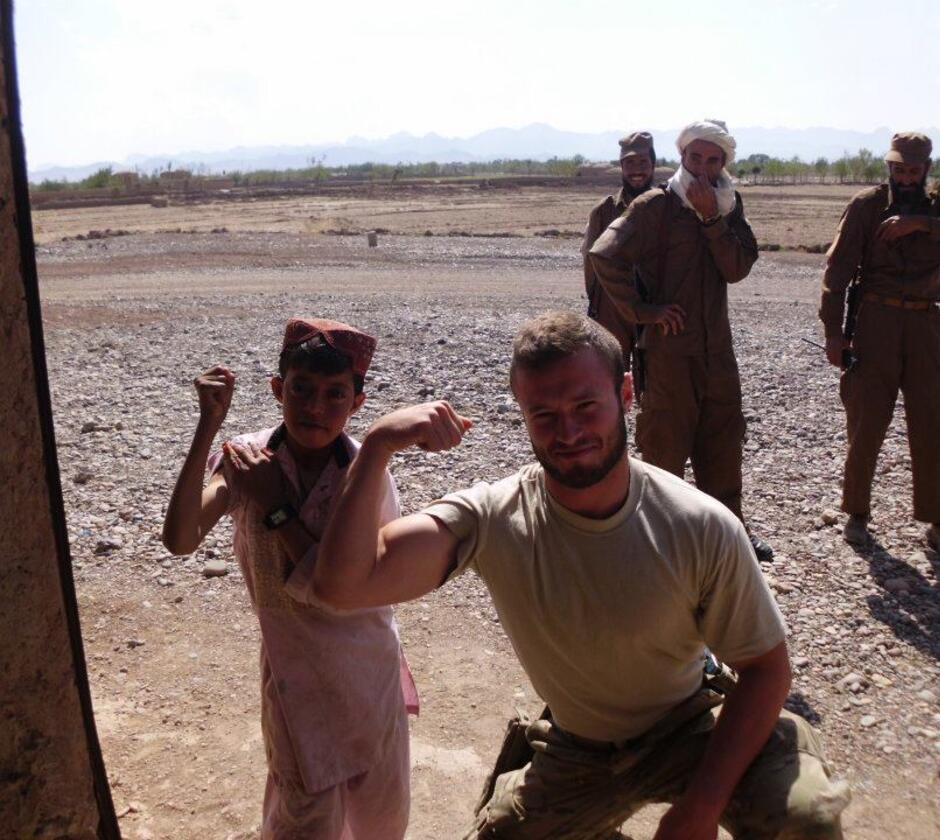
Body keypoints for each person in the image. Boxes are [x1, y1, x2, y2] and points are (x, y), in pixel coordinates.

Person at [314, 312, 849, 839]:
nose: (567, 431)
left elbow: (765, 670)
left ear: (625, 395)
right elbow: (343, 587)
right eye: (543, 414)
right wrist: (378, 447)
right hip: (580, 750)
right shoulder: (494, 518)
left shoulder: (697, 523)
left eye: (585, 406)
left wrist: (700, 807)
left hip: (690, 729)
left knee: (805, 822)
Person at [162, 318, 416, 840]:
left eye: (334, 395)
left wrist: (276, 506)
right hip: (293, 673)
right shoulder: (247, 459)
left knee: (379, 819)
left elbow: (346, 589)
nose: (315, 408)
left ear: (357, 403)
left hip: (367, 670)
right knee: (305, 819)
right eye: (301, 389)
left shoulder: (363, 473)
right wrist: (207, 426)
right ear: (279, 389)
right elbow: (182, 538)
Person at [588, 118, 774, 563]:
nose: (704, 167)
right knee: (665, 446)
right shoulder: (656, 206)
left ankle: (729, 534)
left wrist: (712, 219)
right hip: (669, 353)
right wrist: (644, 312)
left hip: (717, 352)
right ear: (682, 157)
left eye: (714, 160)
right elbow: (604, 256)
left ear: (724, 162)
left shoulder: (729, 205)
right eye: (696, 158)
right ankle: (655, 540)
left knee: (723, 442)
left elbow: (736, 268)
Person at [819, 131, 940, 548]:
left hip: (928, 326)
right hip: (875, 322)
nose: (905, 178)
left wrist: (922, 223)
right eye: (898, 170)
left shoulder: (935, 207)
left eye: (913, 171)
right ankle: (856, 511)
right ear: (888, 167)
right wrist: (835, 334)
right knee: (866, 419)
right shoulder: (866, 206)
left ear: (925, 170)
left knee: (931, 421)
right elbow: (835, 277)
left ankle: (935, 517)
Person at [582, 131, 657, 361]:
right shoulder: (604, 211)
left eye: (643, 162)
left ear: (653, 164)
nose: (637, 170)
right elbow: (590, 264)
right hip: (612, 305)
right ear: (621, 167)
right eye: (630, 163)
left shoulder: (666, 207)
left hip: (656, 305)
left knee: (654, 376)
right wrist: (599, 306)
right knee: (612, 372)